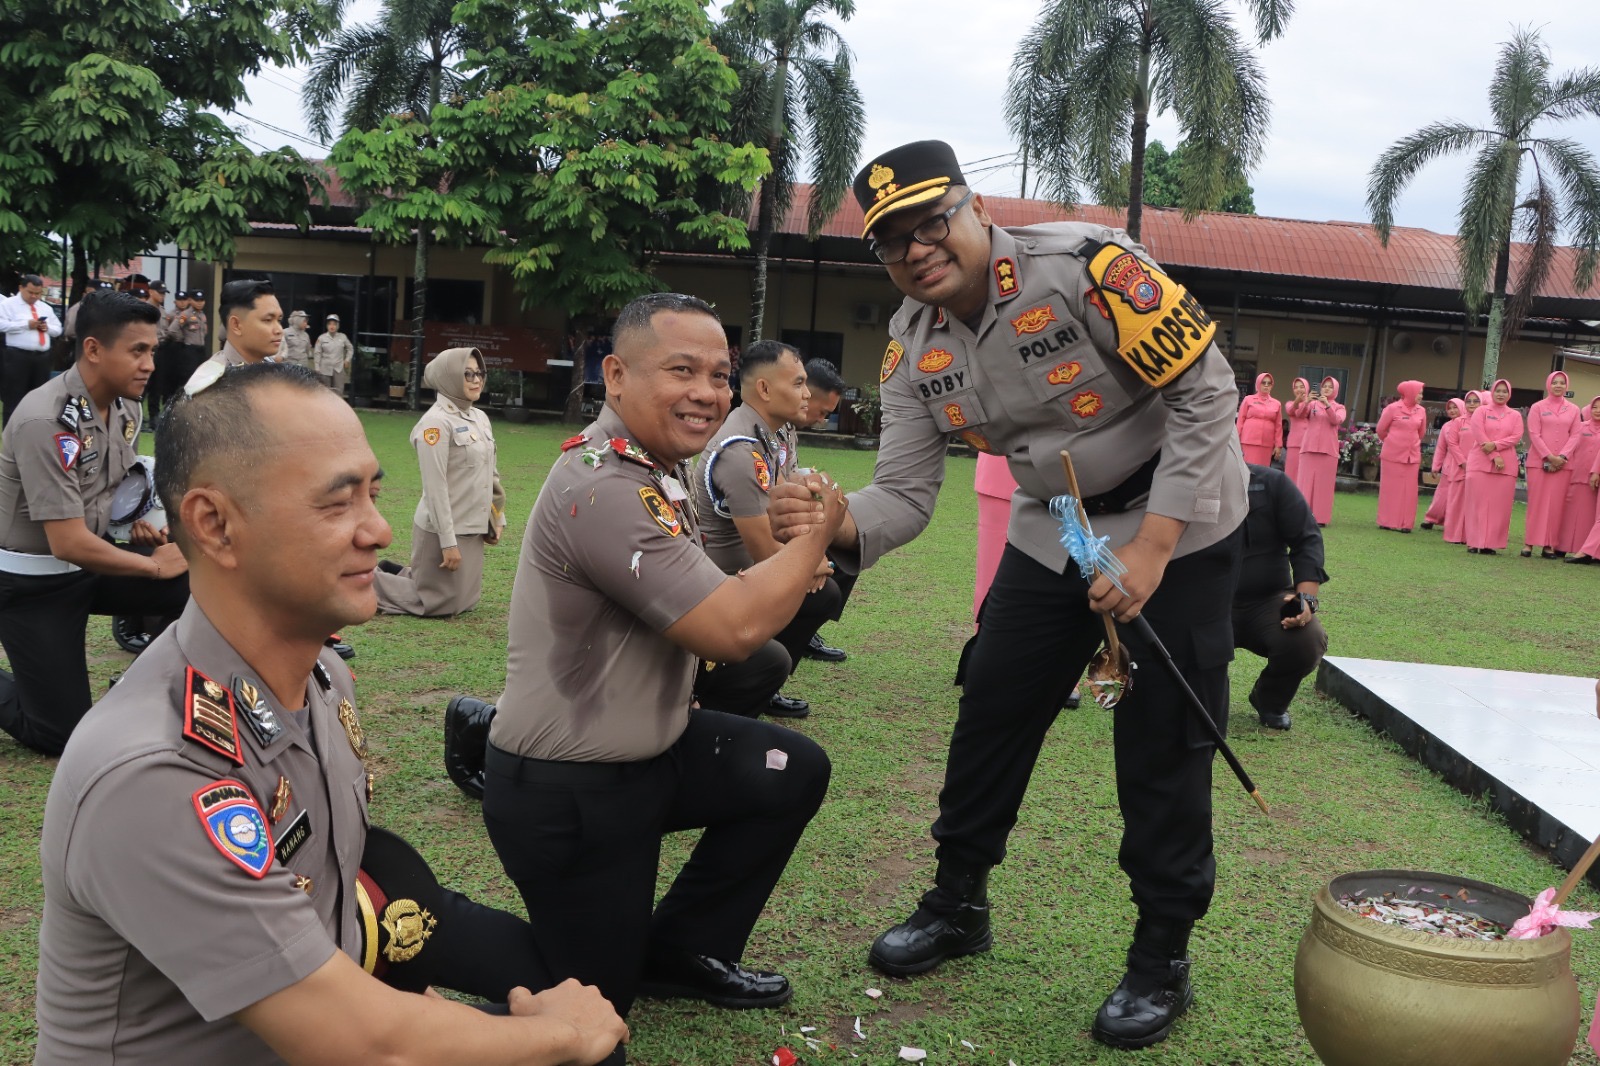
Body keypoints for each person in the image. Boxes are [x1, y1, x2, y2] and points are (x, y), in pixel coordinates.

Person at [768, 140, 1248, 1049]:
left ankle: (1161, 955)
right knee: (993, 701)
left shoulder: (1090, 268)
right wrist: (827, 516)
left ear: (974, 206)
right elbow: (904, 497)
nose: (915, 249)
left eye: (929, 221)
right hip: (1060, 524)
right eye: (891, 241)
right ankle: (958, 903)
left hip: (1179, 522)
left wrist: (1151, 547)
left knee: (1162, 742)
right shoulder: (911, 344)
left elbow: (1206, 393)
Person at [33, 361, 629, 1066]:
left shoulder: (321, 678)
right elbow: (359, 1044)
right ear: (215, 524)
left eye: (374, 494)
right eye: (336, 503)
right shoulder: (155, 769)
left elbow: (330, 933)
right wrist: (560, 1035)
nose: (377, 530)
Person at [461, 292, 840, 1020]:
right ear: (617, 376)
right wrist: (817, 536)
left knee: (792, 771)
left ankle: (684, 951)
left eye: (719, 375)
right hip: (571, 789)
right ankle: (416, 946)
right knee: (596, 1014)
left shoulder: (657, 469)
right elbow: (732, 629)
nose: (706, 392)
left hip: (652, 753)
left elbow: (704, 604)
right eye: (681, 370)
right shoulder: (604, 485)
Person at [0, 292, 190, 756]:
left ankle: (152, 691)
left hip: (92, 565)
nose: (148, 364)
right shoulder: (45, 420)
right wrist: (152, 567)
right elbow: (66, 542)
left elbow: (111, 486)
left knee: (204, 583)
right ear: (93, 349)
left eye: (152, 351)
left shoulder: (127, 407)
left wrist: (140, 523)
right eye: (137, 351)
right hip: (31, 586)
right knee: (60, 735)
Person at [689, 339, 835, 718]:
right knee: (819, 593)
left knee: (833, 577)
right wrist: (811, 558)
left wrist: (812, 549)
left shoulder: (778, 432)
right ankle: (739, 686)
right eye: (799, 383)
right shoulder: (741, 450)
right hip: (721, 582)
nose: (807, 394)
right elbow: (765, 552)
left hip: (748, 569)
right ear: (765, 390)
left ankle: (763, 678)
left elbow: (793, 506)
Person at [375, 347, 505, 617]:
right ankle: (371, 582)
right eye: (467, 374)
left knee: (465, 602)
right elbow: (435, 488)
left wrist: (497, 518)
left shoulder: (479, 417)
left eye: (479, 373)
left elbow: (492, 473)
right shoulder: (435, 423)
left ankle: (400, 574)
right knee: (435, 604)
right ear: (449, 378)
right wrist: (448, 543)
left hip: (472, 524)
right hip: (442, 527)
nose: (476, 380)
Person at [1231, 464, 1329, 731]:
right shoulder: (1183, 482)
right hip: (1205, 600)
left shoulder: (1272, 482)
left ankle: (1270, 700)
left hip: (1268, 599)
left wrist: (1305, 601)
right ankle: (1200, 699)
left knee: (1306, 638)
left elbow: (1306, 540)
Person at [795, 357, 853, 663]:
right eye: (822, 412)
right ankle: (799, 631)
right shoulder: (756, 431)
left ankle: (807, 629)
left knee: (851, 547)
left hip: (788, 524)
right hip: (767, 536)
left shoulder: (785, 431)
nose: (822, 420)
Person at [184, 279, 284, 393]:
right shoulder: (211, 384)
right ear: (236, 325)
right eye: (268, 320)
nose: (279, 330)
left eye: (279, 320)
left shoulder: (273, 370)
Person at [1522, 370, 1579, 558]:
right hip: (1539, 462)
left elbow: (1576, 435)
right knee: (1536, 504)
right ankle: (1529, 543)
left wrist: (1561, 457)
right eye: (1555, 382)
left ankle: (1548, 545)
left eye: (1562, 382)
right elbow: (1534, 434)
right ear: (1548, 384)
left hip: (1563, 465)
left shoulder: (1573, 409)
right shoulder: (1537, 407)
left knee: (1555, 506)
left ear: (1567, 386)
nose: (1558, 385)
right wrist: (1549, 456)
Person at [1465, 379, 1523, 555]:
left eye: (1505, 391)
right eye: (1498, 390)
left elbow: (1516, 436)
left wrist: (1496, 446)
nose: (1500, 394)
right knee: (1477, 503)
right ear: (1492, 392)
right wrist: (1494, 455)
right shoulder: (1481, 411)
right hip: (1480, 463)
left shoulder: (1515, 415)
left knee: (1499, 507)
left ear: (1509, 394)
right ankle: (1474, 541)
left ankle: (1490, 543)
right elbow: (1479, 434)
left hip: (1505, 467)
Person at [1, 273, 62, 425]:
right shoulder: (8, 305)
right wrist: (26, 325)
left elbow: (58, 329)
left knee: (39, 397)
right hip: (17, 356)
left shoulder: (45, 308)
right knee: (14, 397)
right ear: (21, 288)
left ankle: (33, 430)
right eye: (31, 292)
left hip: (41, 358)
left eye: (38, 293)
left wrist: (46, 328)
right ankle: (10, 432)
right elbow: (2, 325)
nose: (34, 296)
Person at [1375, 379, 1427, 532]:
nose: (1420, 396)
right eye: (1418, 393)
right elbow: (1381, 430)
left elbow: (1421, 432)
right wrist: (1393, 442)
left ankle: (1406, 524)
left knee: (1409, 491)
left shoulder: (1421, 411)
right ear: (1409, 393)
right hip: (1392, 455)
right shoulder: (1392, 408)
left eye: (1421, 393)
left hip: (1412, 456)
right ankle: (1386, 521)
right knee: (1390, 489)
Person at [1293, 376, 1345, 526]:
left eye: (1330, 387)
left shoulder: (1339, 407)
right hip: (1309, 448)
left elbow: (1336, 420)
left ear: (1335, 390)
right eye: (1324, 386)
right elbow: (1300, 414)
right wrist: (1307, 401)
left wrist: (1327, 405)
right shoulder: (1312, 404)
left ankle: (1321, 518)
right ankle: (1302, 515)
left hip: (1328, 451)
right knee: (1305, 483)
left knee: (1324, 486)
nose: (1326, 389)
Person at [1558, 395, 1600, 563]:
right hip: (1578, 475)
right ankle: (1563, 546)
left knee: (1591, 518)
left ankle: (1590, 551)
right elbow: (1569, 448)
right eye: (1595, 407)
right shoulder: (1580, 428)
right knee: (1572, 515)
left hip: (1596, 477)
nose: (1598, 410)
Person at [1422, 398, 1468, 537]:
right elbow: (1441, 448)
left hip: (1466, 466)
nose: (1452, 410)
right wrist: (1436, 466)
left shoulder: (1471, 424)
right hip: (1449, 466)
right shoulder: (1446, 426)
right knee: (1441, 496)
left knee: (1460, 498)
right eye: (1450, 408)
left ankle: (1454, 523)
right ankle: (1431, 519)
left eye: (1455, 407)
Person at [1235, 372, 1282, 466]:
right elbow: (1240, 421)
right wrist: (1236, 440)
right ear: (1258, 383)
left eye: (1269, 383)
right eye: (1263, 382)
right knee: (1247, 468)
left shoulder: (1276, 403)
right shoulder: (1248, 399)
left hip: (1266, 443)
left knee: (1262, 470)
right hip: (1248, 441)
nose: (1266, 385)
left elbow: (1278, 426)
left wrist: (1278, 445)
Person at [314, 314, 354, 394]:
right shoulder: (322, 338)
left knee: (338, 391)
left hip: (338, 368)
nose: (332, 326)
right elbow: (317, 353)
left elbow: (350, 348)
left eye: (334, 324)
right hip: (325, 368)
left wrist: (347, 360)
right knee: (324, 391)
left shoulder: (343, 337)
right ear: (327, 326)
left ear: (338, 326)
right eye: (330, 324)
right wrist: (317, 367)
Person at [1283, 377, 1311, 485]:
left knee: (1305, 472)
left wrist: (1307, 402)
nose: (1299, 389)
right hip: (1294, 443)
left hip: (1308, 443)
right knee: (1291, 471)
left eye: (1301, 386)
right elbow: (1293, 411)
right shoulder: (1290, 403)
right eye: (1296, 387)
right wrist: (1300, 402)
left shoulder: (1312, 404)